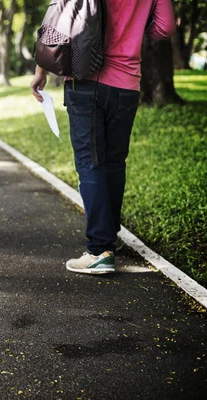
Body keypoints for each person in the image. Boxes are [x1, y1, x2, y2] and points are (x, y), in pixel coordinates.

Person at [30, 0, 175, 274]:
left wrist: (41, 71)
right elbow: (165, 27)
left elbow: (57, 21)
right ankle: (110, 235)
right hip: (127, 84)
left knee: (90, 162)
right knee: (114, 162)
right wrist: (133, 33)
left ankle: (99, 249)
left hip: (85, 80)